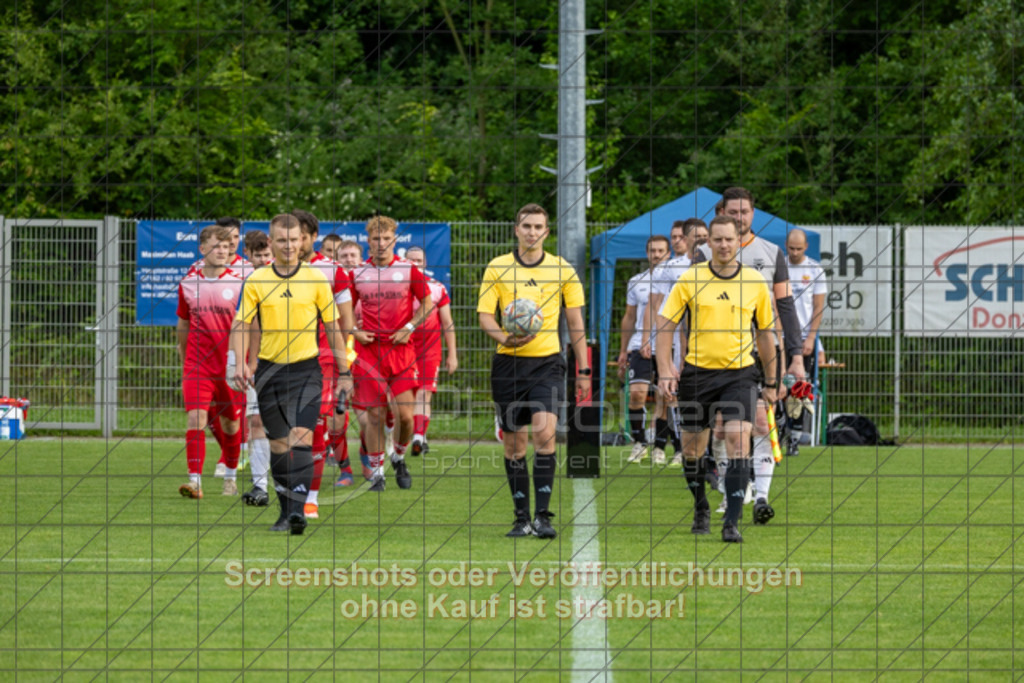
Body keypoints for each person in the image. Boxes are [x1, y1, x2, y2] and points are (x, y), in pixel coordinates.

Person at [655, 215, 778, 543]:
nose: (723, 245)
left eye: (729, 239)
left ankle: (732, 522)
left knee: (739, 440)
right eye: (717, 240)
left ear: (740, 242)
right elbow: (665, 327)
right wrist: (666, 369)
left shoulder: (754, 282)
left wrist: (771, 380)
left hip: (740, 375)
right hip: (697, 375)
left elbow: (765, 334)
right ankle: (701, 507)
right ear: (708, 243)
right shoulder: (690, 279)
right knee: (692, 451)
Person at [229, 213, 352, 535]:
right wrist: (239, 362)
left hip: (307, 370)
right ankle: (286, 513)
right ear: (271, 242)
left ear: (302, 241)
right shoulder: (256, 281)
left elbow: (332, 328)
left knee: (302, 438)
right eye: (281, 240)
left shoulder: (316, 280)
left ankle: (297, 513)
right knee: (279, 445)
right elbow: (241, 324)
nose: (288, 246)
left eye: (293, 240)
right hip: (269, 371)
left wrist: (345, 372)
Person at [478, 203, 590, 540]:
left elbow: (575, 322)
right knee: (514, 447)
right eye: (526, 226)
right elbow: (485, 315)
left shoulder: (562, 269)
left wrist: (583, 369)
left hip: (548, 364)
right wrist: (505, 338)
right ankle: (520, 517)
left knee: (544, 434)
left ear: (546, 232)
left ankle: (542, 516)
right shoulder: (497, 267)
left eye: (538, 227)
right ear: (516, 229)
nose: (532, 232)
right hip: (508, 366)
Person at [695, 188, 805, 525]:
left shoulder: (772, 253)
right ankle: (731, 494)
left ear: (753, 213)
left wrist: (796, 355)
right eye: (734, 211)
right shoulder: (703, 253)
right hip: (716, 355)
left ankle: (759, 497)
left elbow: (785, 308)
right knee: (723, 429)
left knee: (760, 422)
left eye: (745, 211)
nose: (740, 217)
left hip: (762, 351)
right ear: (722, 212)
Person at [349, 216, 434, 492]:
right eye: (376, 239)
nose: (381, 243)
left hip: (401, 351)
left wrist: (410, 327)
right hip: (369, 352)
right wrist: (353, 330)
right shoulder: (357, 273)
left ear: (394, 241)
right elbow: (340, 310)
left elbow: (428, 303)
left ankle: (397, 456)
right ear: (369, 242)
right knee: (374, 416)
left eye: (386, 239)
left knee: (406, 417)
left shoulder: (408, 270)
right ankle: (376, 472)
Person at [292, 209, 356, 518]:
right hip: (280, 360)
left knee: (316, 426)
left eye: (301, 236)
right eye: (290, 236)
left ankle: (310, 498)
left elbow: (346, 321)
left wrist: (343, 366)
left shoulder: (332, 271)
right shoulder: (270, 271)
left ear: (313, 237)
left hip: (323, 359)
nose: (295, 242)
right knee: (285, 432)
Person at [176, 225, 246, 499]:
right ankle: (195, 481)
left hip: (230, 365)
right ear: (202, 249)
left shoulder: (241, 282)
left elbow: (250, 326)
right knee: (196, 418)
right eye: (216, 246)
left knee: (231, 425)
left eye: (227, 246)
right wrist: (184, 359)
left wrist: (245, 361)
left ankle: (230, 475)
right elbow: (183, 325)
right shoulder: (188, 284)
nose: (223, 251)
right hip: (198, 365)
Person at [641, 218, 708, 464]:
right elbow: (657, 306)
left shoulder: (716, 265)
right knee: (675, 394)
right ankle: (681, 448)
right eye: (696, 235)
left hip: (709, 340)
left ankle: (699, 451)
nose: (701, 239)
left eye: (705, 235)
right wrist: (650, 338)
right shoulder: (671, 268)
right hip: (679, 340)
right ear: (685, 238)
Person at [616, 235, 670, 464]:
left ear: (669, 254)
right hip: (640, 344)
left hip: (668, 345)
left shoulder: (677, 280)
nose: (656, 255)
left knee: (665, 397)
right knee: (636, 393)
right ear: (647, 253)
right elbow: (629, 317)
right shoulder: (636, 281)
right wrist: (623, 350)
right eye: (652, 251)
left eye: (661, 251)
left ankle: (659, 445)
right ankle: (639, 442)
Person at [403, 246, 458, 455]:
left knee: (424, 394)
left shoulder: (437, 288)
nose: (415, 264)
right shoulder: (397, 288)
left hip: (430, 349)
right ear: (404, 263)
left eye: (419, 260)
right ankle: (404, 435)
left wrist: (452, 354)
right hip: (403, 348)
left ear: (425, 263)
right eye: (411, 260)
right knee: (405, 397)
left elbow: (447, 323)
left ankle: (418, 437)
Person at [238, 230, 274, 506]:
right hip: (261, 362)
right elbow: (247, 323)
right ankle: (260, 486)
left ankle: (297, 487)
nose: (263, 259)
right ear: (247, 256)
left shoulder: (296, 277)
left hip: (296, 361)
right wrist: (245, 361)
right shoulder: (250, 282)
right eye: (258, 255)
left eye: (267, 254)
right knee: (257, 421)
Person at [785, 228, 827, 455]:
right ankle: (778, 429)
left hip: (803, 339)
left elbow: (818, 307)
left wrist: (812, 337)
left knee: (799, 389)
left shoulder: (815, 270)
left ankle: (794, 435)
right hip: (780, 336)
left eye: (798, 249)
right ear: (785, 245)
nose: (794, 252)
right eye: (791, 248)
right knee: (778, 384)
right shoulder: (779, 267)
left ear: (806, 247)